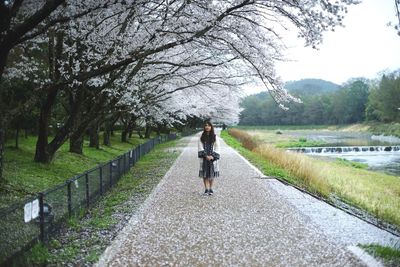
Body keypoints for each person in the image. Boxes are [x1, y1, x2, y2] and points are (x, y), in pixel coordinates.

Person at [198, 121, 220, 196]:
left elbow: (217, 147)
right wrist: (205, 155)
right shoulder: (201, 136)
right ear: (204, 127)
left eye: (209, 125)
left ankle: (211, 188)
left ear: (211, 127)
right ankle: (206, 189)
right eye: (206, 125)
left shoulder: (215, 136)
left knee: (212, 174)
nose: (207, 127)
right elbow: (200, 146)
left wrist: (212, 156)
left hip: (212, 158)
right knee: (204, 174)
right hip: (204, 158)